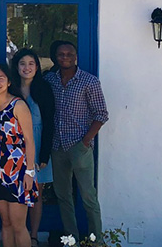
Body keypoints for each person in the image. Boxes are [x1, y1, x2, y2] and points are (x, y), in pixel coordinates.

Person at [45, 42, 109, 242]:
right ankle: (71, 238)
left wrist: (85, 141)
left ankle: (96, 240)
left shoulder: (89, 81)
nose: (65, 57)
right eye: (61, 54)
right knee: (63, 195)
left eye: (69, 54)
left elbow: (102, 114)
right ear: (55, 57)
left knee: (88, 196)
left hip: (79, 146)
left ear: (76, 56)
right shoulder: (50, 80)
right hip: (57, 146)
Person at [0, 64, 38, 247]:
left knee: (18, 225)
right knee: (6, 223)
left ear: (9, 82)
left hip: (18, 169)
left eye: (1, 78)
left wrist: (30, 172)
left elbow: (30, 140)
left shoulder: (18, 105)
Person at [11, 49, 55, 247]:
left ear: (37, 67)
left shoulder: (44, 90)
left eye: (31, 64)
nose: (26, 68)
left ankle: (34, 235)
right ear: (16, 66)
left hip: (38, 147)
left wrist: (44, 153)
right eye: (22, 63)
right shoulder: (10, 88)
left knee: (35, 194)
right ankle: (17, 234)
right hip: (14, 148)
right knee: (16, 193)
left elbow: (49, 123)